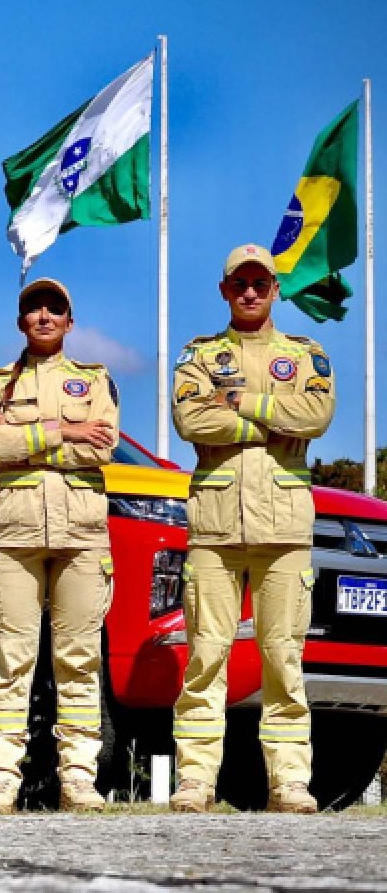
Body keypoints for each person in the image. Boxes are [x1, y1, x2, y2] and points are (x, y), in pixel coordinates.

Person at [169, 243, 335, 814]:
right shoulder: (199, 355)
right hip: (215, 527)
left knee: (283, 658)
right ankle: (195, 780)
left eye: (259, 283)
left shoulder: (305, 354)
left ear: (274, 289)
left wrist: (240, 401)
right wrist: (271, 417)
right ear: (224, 290)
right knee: (205, 655)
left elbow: (315, 416)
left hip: (284, 526)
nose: (249, 292)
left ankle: (288, 781)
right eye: (239, 283)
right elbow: (191, 419)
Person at [0, 277, 119, 814]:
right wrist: (62, 430)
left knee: (78, 660)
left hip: (82, 537)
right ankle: (1, 779)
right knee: (10, 660)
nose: (44, 316)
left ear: (69, 322)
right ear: (20, 321)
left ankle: (78, 777)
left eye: (55, 308)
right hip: (14, 539)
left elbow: (105, 448)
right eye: (34, 307)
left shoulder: (94, 380)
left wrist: (29, 442)